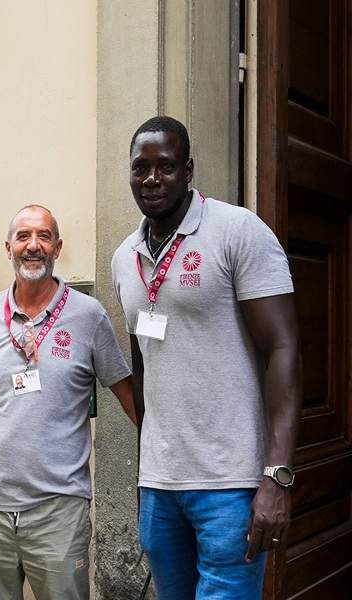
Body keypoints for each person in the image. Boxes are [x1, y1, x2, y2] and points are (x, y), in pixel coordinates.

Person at [111, 115, 302, 599]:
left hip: (231, 485)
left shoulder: (238, 231)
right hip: (160, 488)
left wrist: (276, 476)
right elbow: (144, 368)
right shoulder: (124, 257)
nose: (152, 179)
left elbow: (283, 349)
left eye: (166, 166)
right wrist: (144, 473)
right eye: (140, 168)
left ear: (189, 170)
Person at [0, 205, 136, 600]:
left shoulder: (89, 316)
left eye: (43, 236)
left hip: (58, 513)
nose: (33, 246)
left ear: (57, 247)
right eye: (23, 237)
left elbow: (130, 398)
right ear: (8, 247)